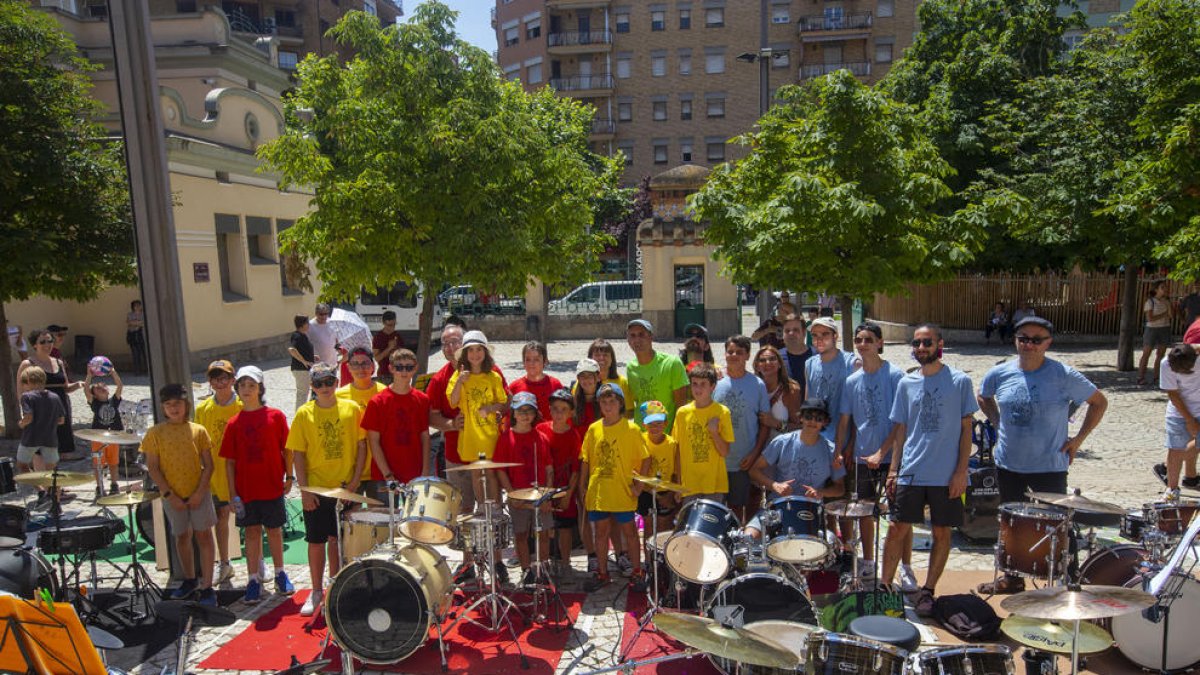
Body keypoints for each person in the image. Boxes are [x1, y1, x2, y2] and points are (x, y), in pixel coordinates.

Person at [975, 316, 1108, 594]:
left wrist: (1078, 440)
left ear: (1048, 343)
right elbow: (983, 396)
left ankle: (1069, 580)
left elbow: (1098, 402)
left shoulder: (1063, 374)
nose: (1029, 345)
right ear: (1015, 339)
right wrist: (997, 422)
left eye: (1037, 340)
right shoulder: (1000, 373)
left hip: (1049, 466)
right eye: (1023, 338)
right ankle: (1011, 578)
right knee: (1011, 524)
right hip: (1009, 462)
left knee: (1060, 525)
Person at [880, 325, 977, 616]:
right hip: (911, 470)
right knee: (897, 528)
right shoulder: (906, 383)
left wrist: (962, 471)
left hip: (946, 474)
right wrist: (893, 470)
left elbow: (966, 429)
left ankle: (928, 590)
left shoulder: (959, 381)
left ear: (940, 344)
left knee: (941, 532)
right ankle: (885, 588)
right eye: (917, 343)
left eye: (927, 342)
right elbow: (901, 430)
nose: (921, 347)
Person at [287, 363, 368, 617]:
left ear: (336, 383)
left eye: (329, 382)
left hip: (344, 487)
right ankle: (315, 590)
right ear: (311, 386)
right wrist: (304, 490)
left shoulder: (351, 408)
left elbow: (361, 446)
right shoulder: (304, 414)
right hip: (316, 486)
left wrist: (355, 481)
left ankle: (334, 587)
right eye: (318, 383)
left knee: (337, 541)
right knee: (315, 541)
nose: (324, 387)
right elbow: (298, 453)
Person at [426, 324, 506, 580]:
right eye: (446, 343)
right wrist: (450, 424)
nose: (451, 347)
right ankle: (468, 563)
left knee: (491, 508)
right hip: (456, 453)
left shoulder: (492, 373)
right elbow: (432, 415)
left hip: (487, 449)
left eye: (455, 342)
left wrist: (494, 412)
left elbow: (506, 403)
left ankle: (497, 562)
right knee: (465, 512)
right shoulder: (442, 378)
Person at [220, 366, 295, 603]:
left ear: (260, 388)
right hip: (246, 489)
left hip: (271, 485)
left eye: (251, 385)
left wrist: (290, 476)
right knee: (251, 533)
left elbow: (287, 450)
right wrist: (233, 493)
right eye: (242, 385)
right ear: (237, 389)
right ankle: (253, 579)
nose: (247, 390)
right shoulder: (233, 423)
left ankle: (280, 573)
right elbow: (229, 462)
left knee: (274, 531)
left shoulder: (276, 416)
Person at [835, 323, 904, 576]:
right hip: (863, 457)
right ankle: (868, 562)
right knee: (864, 510)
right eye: (859, 340)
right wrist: (840, 451)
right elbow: (845, 420)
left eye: (868, 339)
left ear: (880, 343)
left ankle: (903, 566)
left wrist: (884, 453)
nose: (863, 344)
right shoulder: (852, 381)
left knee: (898, 517)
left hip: (892, 457)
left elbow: (900, 422)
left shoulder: (895, 376)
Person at [141, 383, 218, 606]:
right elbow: (153, 467)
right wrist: (168, 494)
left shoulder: (198, 430)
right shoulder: (155, 433)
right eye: (168, 404)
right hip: (172, 495)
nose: (174, 408)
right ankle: (190, 578)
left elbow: (208, 465)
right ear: (163, 408)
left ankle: (207, 585)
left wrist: (199, 493)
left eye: (177, 404)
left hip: (198, 493)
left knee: (204, 536)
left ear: (186, 405)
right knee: (182, 536)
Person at [580, 383, 650, 593]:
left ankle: (637, 571)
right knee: (600, 533)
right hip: (600, 491)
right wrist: (583, 486)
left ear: (620, 404)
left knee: (629, 533)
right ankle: (602, 572)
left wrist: (639, 486)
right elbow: (586, 458)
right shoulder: (594, 429)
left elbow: (646, 458)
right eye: (604, 401)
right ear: (599, 404)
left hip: (622, 491)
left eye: (612, 401)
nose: (608, 406)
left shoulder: (631, 428)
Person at [746, 399, 846, 537]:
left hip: (810, 513)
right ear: (801, 418)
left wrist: (821, 492)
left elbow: (840, 488)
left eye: (818, 418)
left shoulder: (831, 451)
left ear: (825, 422)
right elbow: (753, 471)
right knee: (748, 537)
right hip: (777, 507)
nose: (812, 421)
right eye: (808, 416)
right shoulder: (782, 442)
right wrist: (775, 485)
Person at [493, 392, 554, 585]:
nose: (525, 415)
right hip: (518, 495)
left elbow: (548, 469)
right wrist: (511, 494)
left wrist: (548, 495)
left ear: (535, 413)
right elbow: (501, 470)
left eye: (529, 411)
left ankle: (542, 567)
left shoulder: (541, 437)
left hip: (539, 494)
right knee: (520, 533)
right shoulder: (506, 438)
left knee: (543, 532)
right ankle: (526, 570)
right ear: (514, 413)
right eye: (521, 411)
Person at [194, 359, 243, 587]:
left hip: (240, 472)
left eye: (224, 378)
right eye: (215, 378)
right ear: (210, 382)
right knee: (220, 518)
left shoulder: (242, 405)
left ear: (233, 380)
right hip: (215, 473)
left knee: (251, 520)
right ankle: (224, 562)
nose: (220, 382)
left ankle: (258, 562)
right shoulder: (203, 409)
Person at [713, 335, 771, 521]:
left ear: (747, 355)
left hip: (744, 459)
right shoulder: (716, 383)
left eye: (739, 352)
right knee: (719, 509)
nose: (734, 355)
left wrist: (755, 454)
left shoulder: (757, 384)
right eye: (730, 352)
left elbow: (764, 424)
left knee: (741, 507)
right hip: (718, 459)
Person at [362, 349, 431, 501]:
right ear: (391, 368)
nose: (404, 371)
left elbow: (425, 436)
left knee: (415, 523)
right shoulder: (377, 402)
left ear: (415, 368)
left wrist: (426, 470)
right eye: (399, 367)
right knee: (385, 523)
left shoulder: (423, 399)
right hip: (383, 474)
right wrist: (388, 474)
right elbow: (373, 441)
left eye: (408, 367)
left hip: (415, 472)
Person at [17, 329, 79, 465]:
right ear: (35, 345)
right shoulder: (28, 364)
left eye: (50, 341)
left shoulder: (59, 362)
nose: (47, 344)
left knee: (57, 448)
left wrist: (80, 384)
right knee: (39, 449)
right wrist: (26, 412)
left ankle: (54, 484)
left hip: (59, 408)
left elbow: (66, 387)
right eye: (42, 341)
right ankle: (43, 483)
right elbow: (21, 391)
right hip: (39, 409)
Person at [674, 362, 734, 502]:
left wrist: (714, 433)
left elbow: (725, 452)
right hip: (689, 485)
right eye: (694, 383)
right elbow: (678, 450)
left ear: (713, 386)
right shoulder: (682, 413)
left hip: (714, 484)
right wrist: (678, 482)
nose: (698, 388)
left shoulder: (722, 412)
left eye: (703, 384)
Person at [540, 388, 582, 576]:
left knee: (565, 527)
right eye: (555, 409)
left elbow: (575, 470)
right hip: (543, 488)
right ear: (550, 410)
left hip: (565, 486)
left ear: (571, 412)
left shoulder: (574, 436)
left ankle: (565, 563)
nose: (559, 413)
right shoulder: (540, 430)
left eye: (563, 409)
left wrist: (569, 495)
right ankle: (545, 562)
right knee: (545, 526)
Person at [336, 346, 386, 489]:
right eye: (355, 364)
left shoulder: (384, 393)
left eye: (365, 363)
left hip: (379, 467)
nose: (360, 368)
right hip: (350, 469)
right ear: (348, 367)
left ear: (372, 366)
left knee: (381, 511)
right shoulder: (338, 396)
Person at [626, 319, 689, 430]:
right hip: (641, 437)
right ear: (628, 340)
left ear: (651, 337)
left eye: (641, 334)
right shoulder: (630, 368)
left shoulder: (672, 363)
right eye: (633, 335)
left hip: (666, 436)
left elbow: (681, 407)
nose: (637, 340)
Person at [1155, 344, 1200, 499]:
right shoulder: (1166, 364)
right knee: (1175, 448)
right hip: (1178, 411)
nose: (1184, 374)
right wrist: (1189, 420)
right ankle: (1172, 490)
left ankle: (1170, 467)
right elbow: (1173, 394)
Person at [17, 366, 65, 507]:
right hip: (50, 439)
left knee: (22, 465)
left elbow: (29, 417)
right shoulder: (55, 397)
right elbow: (61, 420)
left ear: (28, 382)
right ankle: (56, 504)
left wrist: (21, 424)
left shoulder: (27, 397)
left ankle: (40, 491)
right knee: (53, 473)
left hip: (30, 439)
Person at [805, 316, 857, 442]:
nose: (819, 339)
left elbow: (857, 408)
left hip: (843, 439)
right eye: (815, 335)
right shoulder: (810, 364)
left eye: (825, 334)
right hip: (819, 439)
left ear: (835, 336)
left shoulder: (851, 363)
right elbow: (808, 402)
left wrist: (851, 443)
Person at [638, 400, 680, 536]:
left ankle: (662, 557)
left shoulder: (672, 444)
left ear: (666, 423)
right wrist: (649, 490)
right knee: (649, 530)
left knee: (664, 530)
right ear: (644, 424)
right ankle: (649, 558)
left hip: (665, 492)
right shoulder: (640, 441)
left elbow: (676, 473)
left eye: (658, 423)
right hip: (646, 491)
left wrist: (669, 495)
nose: (654, 427)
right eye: (650, 424)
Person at [84, 366, 124, 495]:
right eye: (97, 387)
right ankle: (99, 486)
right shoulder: (95, 403)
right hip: (98, 437)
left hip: (113, 436)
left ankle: (114, 484)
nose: (102, 387)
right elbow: (86, 390)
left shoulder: (113, 401)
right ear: (94, 394)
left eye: (103, 386)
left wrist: (113, 372)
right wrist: (89, 375)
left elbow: (119, 385)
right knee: (98, 463)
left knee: (113, 463)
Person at [754, 344, 802, 441]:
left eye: (772, 359)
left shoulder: (790, 390)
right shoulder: (751, 388)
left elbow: (799, 427)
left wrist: (775, 424)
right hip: (754, 450)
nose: (767, 363)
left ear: (780, 364)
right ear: (757, 366)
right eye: (762, 360)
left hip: (781, 450)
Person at [508, 342, 564, 421]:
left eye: (536, 359)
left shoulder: (555, 385)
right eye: (528, 359)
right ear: (523, 362)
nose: (532, 363)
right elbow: (509, 418)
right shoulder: (514, 387)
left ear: (545, 361)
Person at [1139, 280, 1174, 386]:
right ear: (1156, 290)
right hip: (1152, 329)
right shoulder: (1150, 302)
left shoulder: (1166, 301)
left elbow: (1171, 315)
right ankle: (1141, 377)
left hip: (1164, 328)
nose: (1165, 289)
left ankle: (1156, 377)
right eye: (1162, 287)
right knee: (1146, 353)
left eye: (1165, 287)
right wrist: (1164, 314)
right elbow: (1150, 318)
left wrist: (1170, 306)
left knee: (1161, 354)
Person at [779, 314, 813, 395]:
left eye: (796, 330)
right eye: (787, 331)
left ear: (804, 333)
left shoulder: (817, 357)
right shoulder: (776, 358)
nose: (791, 333)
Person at [287, 315, 316, 411]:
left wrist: (312, 357)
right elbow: (292, 349)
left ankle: (302, 414)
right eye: (307, 323)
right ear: (302, 324)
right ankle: (299, 416)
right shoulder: (297, 335)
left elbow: (302, 350)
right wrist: (304, 361)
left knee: (304, 393)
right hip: (301, 369)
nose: (309, 325)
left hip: (304, 369)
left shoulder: (303, 336)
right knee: (302, 394)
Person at [372, 311, 403, 384]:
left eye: (394, 324)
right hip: (384, 374)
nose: (392, 327)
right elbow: (377, 358)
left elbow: (403, 355)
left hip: (397, 373)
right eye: (389, 325)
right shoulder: (378, 337)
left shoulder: (397, 335)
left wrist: (396, 350)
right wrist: (389, 348)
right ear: (383, 323)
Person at [572, 357, 603, 429]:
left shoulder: (605, 401)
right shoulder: (572, 403)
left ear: (598, 377)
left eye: (590, 376)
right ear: (578, 379)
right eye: (583, 376)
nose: (586, 379)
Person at [308, 304, 338, 368]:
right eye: (321, 314)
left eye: (326, 314)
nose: (324, 316)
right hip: (318, 364)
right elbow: (305, 343)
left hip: (332, 362)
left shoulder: (332, 322)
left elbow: (336, 338)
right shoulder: (310, 325)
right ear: (316, 313)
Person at [126, 300, 146, 372]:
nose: (137, 307)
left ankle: (146, 370)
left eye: (139, 305)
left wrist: (134, 323)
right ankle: (137, 371)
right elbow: (129, 322)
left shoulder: (144, 314)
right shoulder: (130, 314)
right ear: (133, 307)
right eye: (136, 305)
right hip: (133, 336)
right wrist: (139, 323)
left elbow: (144, 323)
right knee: (135, 354)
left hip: (142, 336)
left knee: (145, 354)